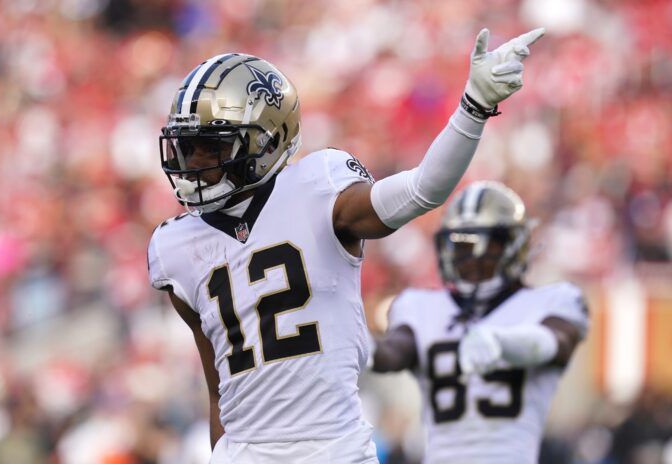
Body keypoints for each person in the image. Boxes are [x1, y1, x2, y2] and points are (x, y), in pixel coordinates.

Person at [147, 27, 545, 463]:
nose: (193, 165)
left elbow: (421, 190)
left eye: (210, 148)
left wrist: (474, 106)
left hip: (334, 450)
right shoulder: (174, 247)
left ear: (266, 140)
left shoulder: (318, 189)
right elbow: (220, 391)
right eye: (188, 148)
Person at [371, 181, 589, 464]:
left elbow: (556, 342)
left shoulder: (552, 301)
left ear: (514, 245)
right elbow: (394, 351)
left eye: (485, 244)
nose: (470, 257)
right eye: (459, 244)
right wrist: (360, 346)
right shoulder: (419, 306)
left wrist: (504, 343)